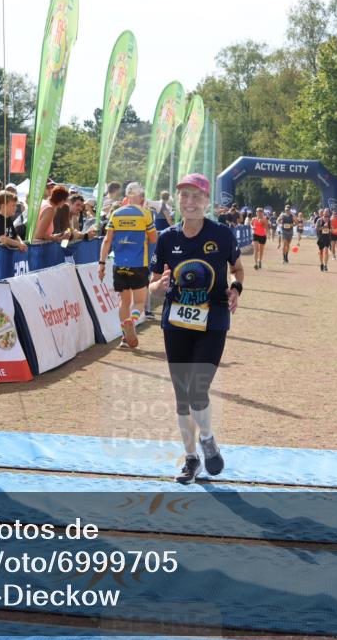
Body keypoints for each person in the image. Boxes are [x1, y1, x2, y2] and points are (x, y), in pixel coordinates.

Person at [149, 173, 243, 484]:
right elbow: (151, 286)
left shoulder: (223, 235)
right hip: (176, 322)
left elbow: (237, 268)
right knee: (181, 396)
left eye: (196, 196)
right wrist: (158, 286)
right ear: (178, 200)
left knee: (197, 389)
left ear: (206, 202)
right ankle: (191, 459)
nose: (189, 202)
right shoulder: (167, 238)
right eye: (184, 196)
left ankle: (208, 439)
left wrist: (236, 288)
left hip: (213, 320)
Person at [98, 181, 157, 349]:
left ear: (127, 196)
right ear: (140, 196)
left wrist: (101, 263)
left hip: (119, 265)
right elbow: (154, 239)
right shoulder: (145, 214)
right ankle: (133, 320)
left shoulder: (116, 213)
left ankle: (124, 337)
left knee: (123, 302)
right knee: (139, 302)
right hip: (138, 264)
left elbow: (107, 240)